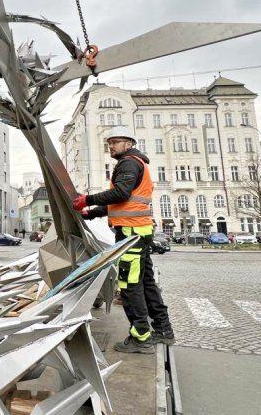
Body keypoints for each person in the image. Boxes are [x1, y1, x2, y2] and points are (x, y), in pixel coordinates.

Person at [73, 126, 174, 354]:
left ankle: (141, 337)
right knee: (146, 281)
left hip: (130, 233)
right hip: (140, 231)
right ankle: (163, 330)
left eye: (115, 142)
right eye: (109, 143)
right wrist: (93, 212)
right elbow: (121, 203)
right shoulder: (137, 163)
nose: (111, 146)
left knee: (129, 285)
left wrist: (86, 200)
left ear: (129, 143)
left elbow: (121, 194)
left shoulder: (128, 163)